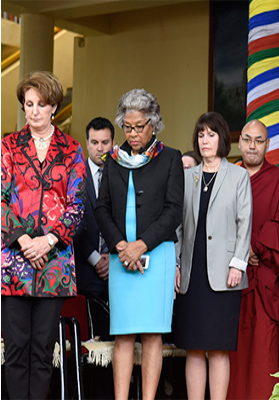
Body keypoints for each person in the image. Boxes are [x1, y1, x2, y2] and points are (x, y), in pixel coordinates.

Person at [1, 71, 86, 400]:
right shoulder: (8, 146)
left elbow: (77, 207)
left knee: (42, 352)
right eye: (28, 104)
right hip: (14, 263)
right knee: (16, 350)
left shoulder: (72, 149)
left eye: (40, 104)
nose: (33, 111)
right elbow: (1, 200)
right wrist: (24, 241)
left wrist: (47, 241)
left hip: (54, 265)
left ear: (54, 107)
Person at [94, 89, 184, 400]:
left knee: (151, 334)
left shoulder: (170, 158)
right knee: (123, 334)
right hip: (121, 258)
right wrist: (121, 245)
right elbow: (101, 208)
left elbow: (174, 210)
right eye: (127, 126)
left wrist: (141, 245)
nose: (132, 134)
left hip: (156, 255)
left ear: (154, 124)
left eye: (139, 126)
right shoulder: (113, 160)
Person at [173, 112, 251, 400]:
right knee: (193, 348)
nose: (205, 140)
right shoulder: (186, 177)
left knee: (218, 349)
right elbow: (178, 226)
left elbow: (245, 223)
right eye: (201, 135)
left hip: (224, 274)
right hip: (191, 275)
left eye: (211, 134)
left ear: (222, 139)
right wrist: (177, 263)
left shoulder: (239, 175)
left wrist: (238, 263)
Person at [227, 119, 279, 399]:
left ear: (268, 144)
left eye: (259, 140)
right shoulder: (226, 176)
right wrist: (237, 252)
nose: (252, 146)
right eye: (248, 139)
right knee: (231, 352)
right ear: (239, 142)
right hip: (230, 277)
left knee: (265, 348)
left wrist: (257, 249)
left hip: (263, 276)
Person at [74, 117, 115, 339]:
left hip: (116, 271)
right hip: (85, 272)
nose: (100, 148)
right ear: (87, 143)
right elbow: (73, 224)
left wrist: (112, 257)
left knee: (116, 339)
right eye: (95, 142)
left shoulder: (122, 175)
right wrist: (96, 259)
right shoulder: (75, 175)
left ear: (113, 143)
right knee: (86, 341)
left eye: (105, 142)